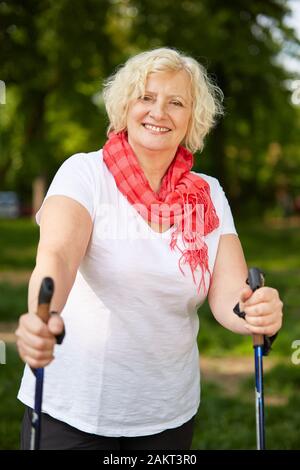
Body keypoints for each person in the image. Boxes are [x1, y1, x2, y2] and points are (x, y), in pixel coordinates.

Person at [16, 48, 283, 450]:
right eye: (146, 97)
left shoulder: (208, 193)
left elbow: (231, 296)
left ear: (192, 118)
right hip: (74, 413)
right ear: (125, 106)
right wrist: (43, 314)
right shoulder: (85, 174)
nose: (159, 111)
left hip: (168, 417)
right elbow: (58, 257)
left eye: (176, 102)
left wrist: (256, 313)